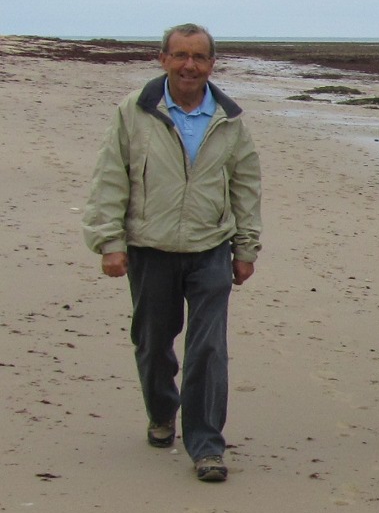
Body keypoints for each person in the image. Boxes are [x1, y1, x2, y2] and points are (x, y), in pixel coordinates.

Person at [82, 24, 262, 484]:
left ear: (212, 64)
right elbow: (110, 177)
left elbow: (246, 186)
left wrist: (245, 247)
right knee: (153, 343)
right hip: (150, 248)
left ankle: (206, 445)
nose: (189, 65)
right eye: (180, 55)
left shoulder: (229, 119)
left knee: (208, 348)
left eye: (199, 57)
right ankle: (162, 411)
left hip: (210, 249)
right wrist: (109, 242)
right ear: (162, 59)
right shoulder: (134, 111)